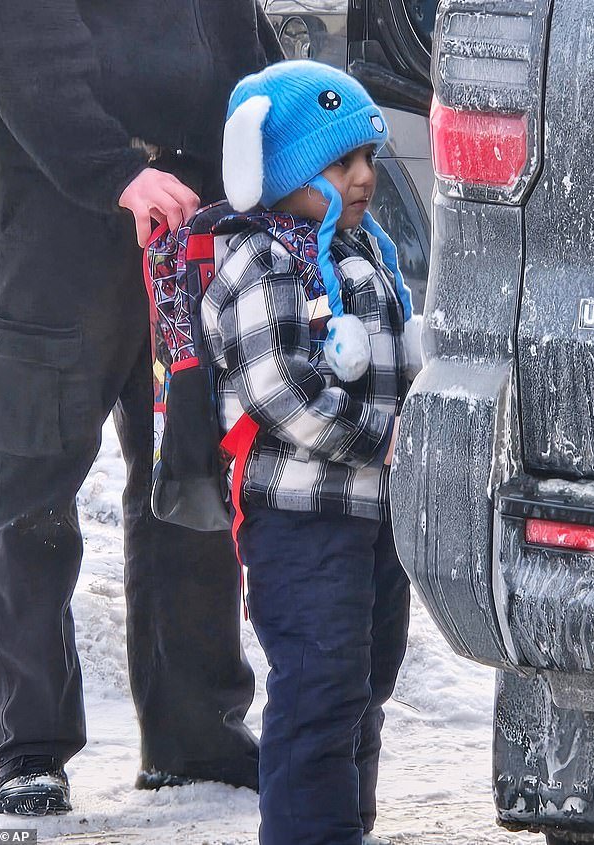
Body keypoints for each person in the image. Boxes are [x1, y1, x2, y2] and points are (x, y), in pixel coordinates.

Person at [0, 0, 283, 816]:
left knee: (190, 472)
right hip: (61, 226)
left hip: (194, 224)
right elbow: (21, 42)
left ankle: (196, 735)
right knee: (32, 481)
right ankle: (25, 744)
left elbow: (246, 51)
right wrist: (113, 171)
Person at [201, 60, 422, 845]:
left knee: (364, 686)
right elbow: (279, 390)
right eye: (339, 162)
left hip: (372, 517)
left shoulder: (367, 252)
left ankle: (345, 827)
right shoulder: (261, 260)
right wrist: (381, 441)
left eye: (367, 157)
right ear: (279, 168)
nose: (363, 176)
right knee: (318, 690)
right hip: (299, 520)